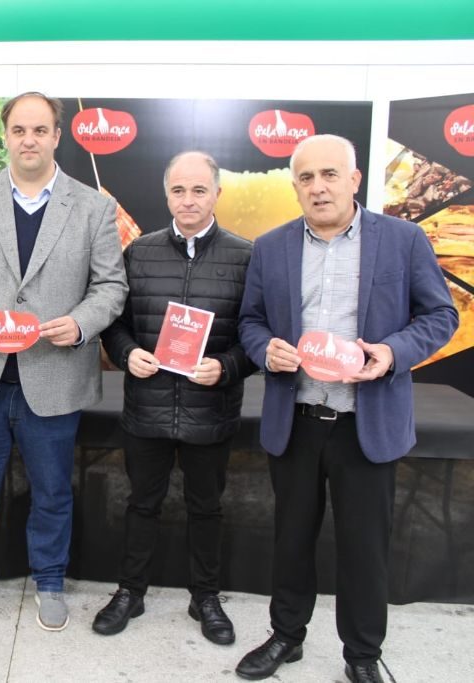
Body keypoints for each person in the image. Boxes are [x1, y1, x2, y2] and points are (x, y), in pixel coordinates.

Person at [235, 134, 458, 683]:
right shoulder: (271, 247)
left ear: (355, 179)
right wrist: (266, 350)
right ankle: (287, 636)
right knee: (291, 541)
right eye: (306, 178)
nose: (318, 187)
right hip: (297, 421)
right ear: (295, 186)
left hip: (366, 423)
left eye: (330, 174)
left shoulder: (403, 240)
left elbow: (441, 316)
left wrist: (391, 353)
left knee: (365, 549)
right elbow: (251, 321)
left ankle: (361, 654)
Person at [0, 92, 127, 631]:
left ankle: (50, 581)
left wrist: (80, 323)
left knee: (53, 492)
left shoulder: (93, 207)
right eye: (19, 130)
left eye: (39, 130)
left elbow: (111, 286)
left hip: (53, 376)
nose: (28, 140)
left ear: (57, 136)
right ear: (6, 136)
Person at [93, 151, 253, 644]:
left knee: (207, 508)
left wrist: (226, 367)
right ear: (166, 196)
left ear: (217, 194)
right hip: (148, 407)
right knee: (142, 503)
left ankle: (206, 597)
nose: (188, 200)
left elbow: (257, 336)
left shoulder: (246, 256)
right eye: (179, 190)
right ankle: (130, 591)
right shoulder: (139, 253)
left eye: (199, 190)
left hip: (211, 410)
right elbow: (114, 325)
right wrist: (128, 354)